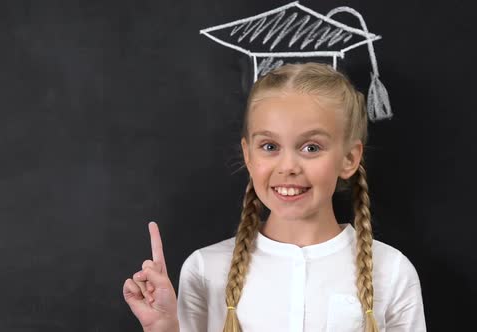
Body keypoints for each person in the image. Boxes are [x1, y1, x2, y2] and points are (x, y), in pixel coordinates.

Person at [123, 62, 426, 332]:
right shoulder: (205, 269)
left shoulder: (392, 271)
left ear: (349, 158)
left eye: (311, 148)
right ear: (248, 155)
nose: (288, 167)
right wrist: (163, 329)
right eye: (270, 146)